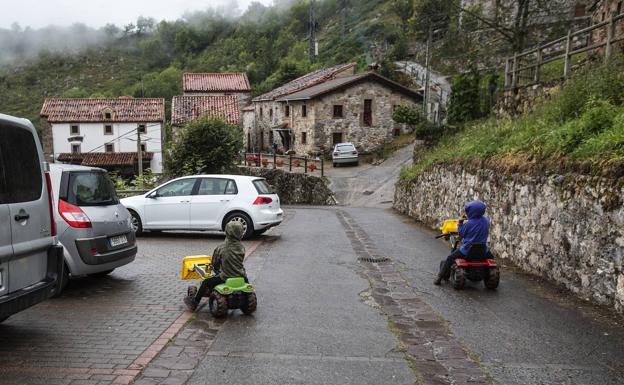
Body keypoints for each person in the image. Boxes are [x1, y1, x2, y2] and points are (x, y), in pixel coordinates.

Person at [184, 221, 248, 311]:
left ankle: (194, 302)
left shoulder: (221, 248)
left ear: (227, 232)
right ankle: (248, 300)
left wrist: (217, 268)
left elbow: (215, 264)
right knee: (248, 286)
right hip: (241, 275)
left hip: (225, 277)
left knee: (206, 282)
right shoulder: (241, 247)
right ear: (241, 233)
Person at [434, 200, 491, 285]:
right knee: (491, 258)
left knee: (450, 258)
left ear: (472, 212)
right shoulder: (486, 221)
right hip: (483, 249)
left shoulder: (469, 224)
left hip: (468, 249)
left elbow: (461, 234)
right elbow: (478, 225)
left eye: (468, 211)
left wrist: (460, 222)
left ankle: (439, 277)